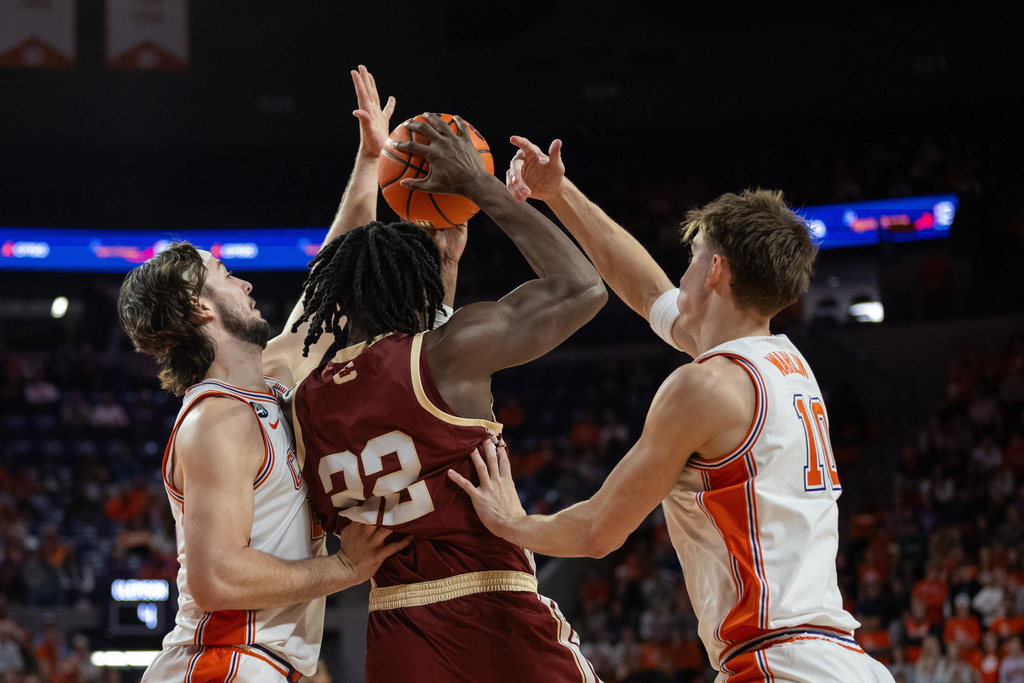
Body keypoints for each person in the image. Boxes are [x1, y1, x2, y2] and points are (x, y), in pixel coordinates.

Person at [449, 136, 895, 681]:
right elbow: (646, 291)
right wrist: (558, 192)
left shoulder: (702, 388)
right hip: (835, 659)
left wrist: (511, 523)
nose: (683, 269)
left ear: (715, 271)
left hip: (778, 663)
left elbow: (597, 532)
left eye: (693, 254)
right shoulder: (784, 365)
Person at [283, 113, 607, 681]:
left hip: (395, 635)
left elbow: (402, 390)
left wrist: (446, 268)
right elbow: (581, 289)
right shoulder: (446, 354)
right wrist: (480, 187)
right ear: (419, 287)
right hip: (495, 612)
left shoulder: (305, 403)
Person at [116, 66, 411, 682]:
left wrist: (369, 162)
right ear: (200, 306)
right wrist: (342, 570)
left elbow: (330, 280)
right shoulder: (218, 420)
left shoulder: (273, 382)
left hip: (264, 665)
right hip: (222, 664)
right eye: (224, 274)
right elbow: (218, 576)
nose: (245, 281)